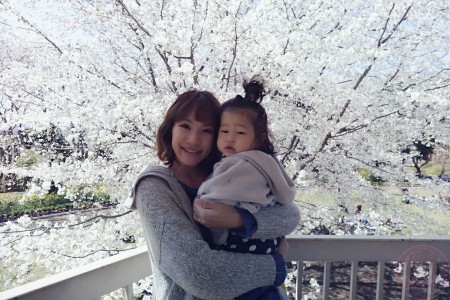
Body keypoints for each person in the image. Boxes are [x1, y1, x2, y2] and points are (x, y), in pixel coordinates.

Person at [125, 88, 300, 299]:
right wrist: (275, 267)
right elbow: (201, 275)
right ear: (170, 128)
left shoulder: (227, 171)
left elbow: (290, 214)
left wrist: (240, 220)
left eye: (206, 131)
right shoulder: (155, 186)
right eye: (185, 126)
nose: (193, 140)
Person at [196, 76, 296, 299]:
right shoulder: (268, 163)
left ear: (258, 139)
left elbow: (215, 195)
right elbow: (286, 198)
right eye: (224, 131)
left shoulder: (243, 164)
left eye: (240, 133)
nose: (230, 138)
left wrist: (198, 200)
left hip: (241, 247)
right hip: (266, 248)